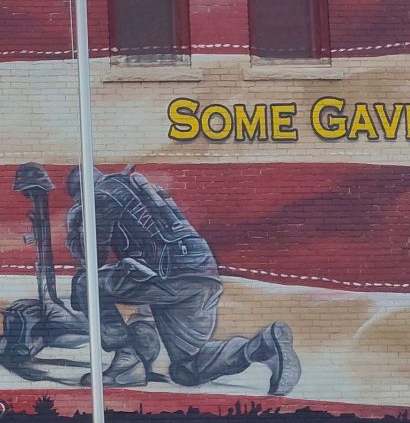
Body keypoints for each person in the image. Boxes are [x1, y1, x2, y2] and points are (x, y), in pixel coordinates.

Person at [66, 167, 300, 394]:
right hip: (201, 275)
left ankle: (127, 362)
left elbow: (93, 259)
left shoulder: (102, 195)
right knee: (187, 369)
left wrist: (75, 230)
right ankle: (262, 346)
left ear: (81, 192)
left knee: (86, 283)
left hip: (168, 275)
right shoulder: (138, 189)